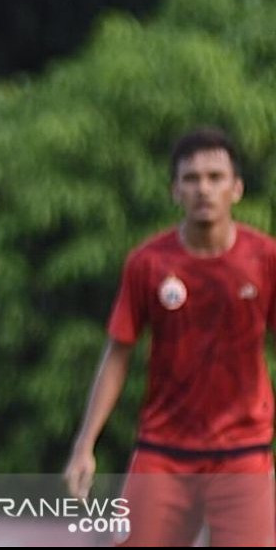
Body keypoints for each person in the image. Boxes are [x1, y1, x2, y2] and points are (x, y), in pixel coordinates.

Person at [64, 127, 276, 546]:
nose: (204, 189)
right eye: (192, 178)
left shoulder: (265, 258)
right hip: (163, 452)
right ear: (174, 190)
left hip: (243, 454)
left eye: (215, 178)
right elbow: (118, 352)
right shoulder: (148, 262)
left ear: (236, 188)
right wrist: (85, 443)